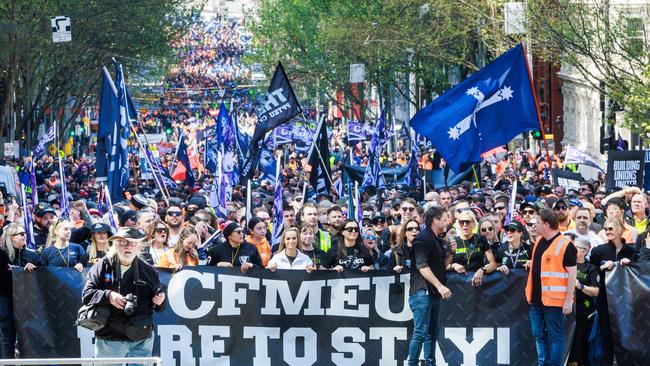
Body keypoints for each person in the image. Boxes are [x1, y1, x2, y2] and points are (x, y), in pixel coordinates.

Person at [81, 227, 166, 365]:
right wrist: (109, 296)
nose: (128, 246)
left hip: (142, 339)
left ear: (139, 247)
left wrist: (161, 301)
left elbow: (160, 306)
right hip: (110, 338)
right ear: (115, 244)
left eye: (132, 243)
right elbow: (86, 294)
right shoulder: (103, 265)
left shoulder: (149, 271)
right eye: (123, 242)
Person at [525, 208, 577, 366]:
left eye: (538, 222)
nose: (535, 225)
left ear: (547, 224)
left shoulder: (566, 245)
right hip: (536, 300)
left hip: (555, 302)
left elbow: (572, 275)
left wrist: (568, 300)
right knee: (539, 336)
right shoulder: (539, 241)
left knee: (555, 337)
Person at [407, 206, 452, 366]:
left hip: (432, 294)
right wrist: (440, 286)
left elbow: (440, 265)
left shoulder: (436, 239)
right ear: (436, 220)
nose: (448, 222)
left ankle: (430, 363)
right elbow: (422, 266)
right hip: (421, 292)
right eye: (445, 219)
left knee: (432, 333)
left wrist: (450, 253)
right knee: (420, 332)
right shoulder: (422, 238)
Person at [589, 218, 636, 365]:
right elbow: (591, 268)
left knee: (625, 333)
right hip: (605, 298)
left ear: (620, 230)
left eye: (611, 229)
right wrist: (603, 265)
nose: (608, 231)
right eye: (606, 229)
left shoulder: (631, 251)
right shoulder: (598, 250)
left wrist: (629, 264)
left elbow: (637, 272)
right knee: (606, 333)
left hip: (626, 299)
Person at [0, 224, 38, 359]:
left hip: (28, 301)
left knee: (30, 338)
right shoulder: (2, 255)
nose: (25, 236)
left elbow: (42, 275)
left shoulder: (31, 255)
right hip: (7, 300)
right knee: (7, 338)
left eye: (25, 233)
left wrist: (31, 270)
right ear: (11, 237)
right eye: (21, 234)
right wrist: (20, 271)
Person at [447, 210, 497, 286]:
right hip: (459, 283)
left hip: (477, 281)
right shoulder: (453, 241)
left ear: (473, 224)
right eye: (461, 222)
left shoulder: (481, 239)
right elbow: (444, 266)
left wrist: (482, 270)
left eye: (467, 222)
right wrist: (453, 265)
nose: (464, 225)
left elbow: (493, 264)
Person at [570, 239, 600, 366]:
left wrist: (580, 286)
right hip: (566, 309)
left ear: (587, 251)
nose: (575, 249)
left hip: (584, 309)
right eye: (574, 246)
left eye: (579, 247)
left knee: (580, 340)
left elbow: (596, 292)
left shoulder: (591, 268)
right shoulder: (566, 264)